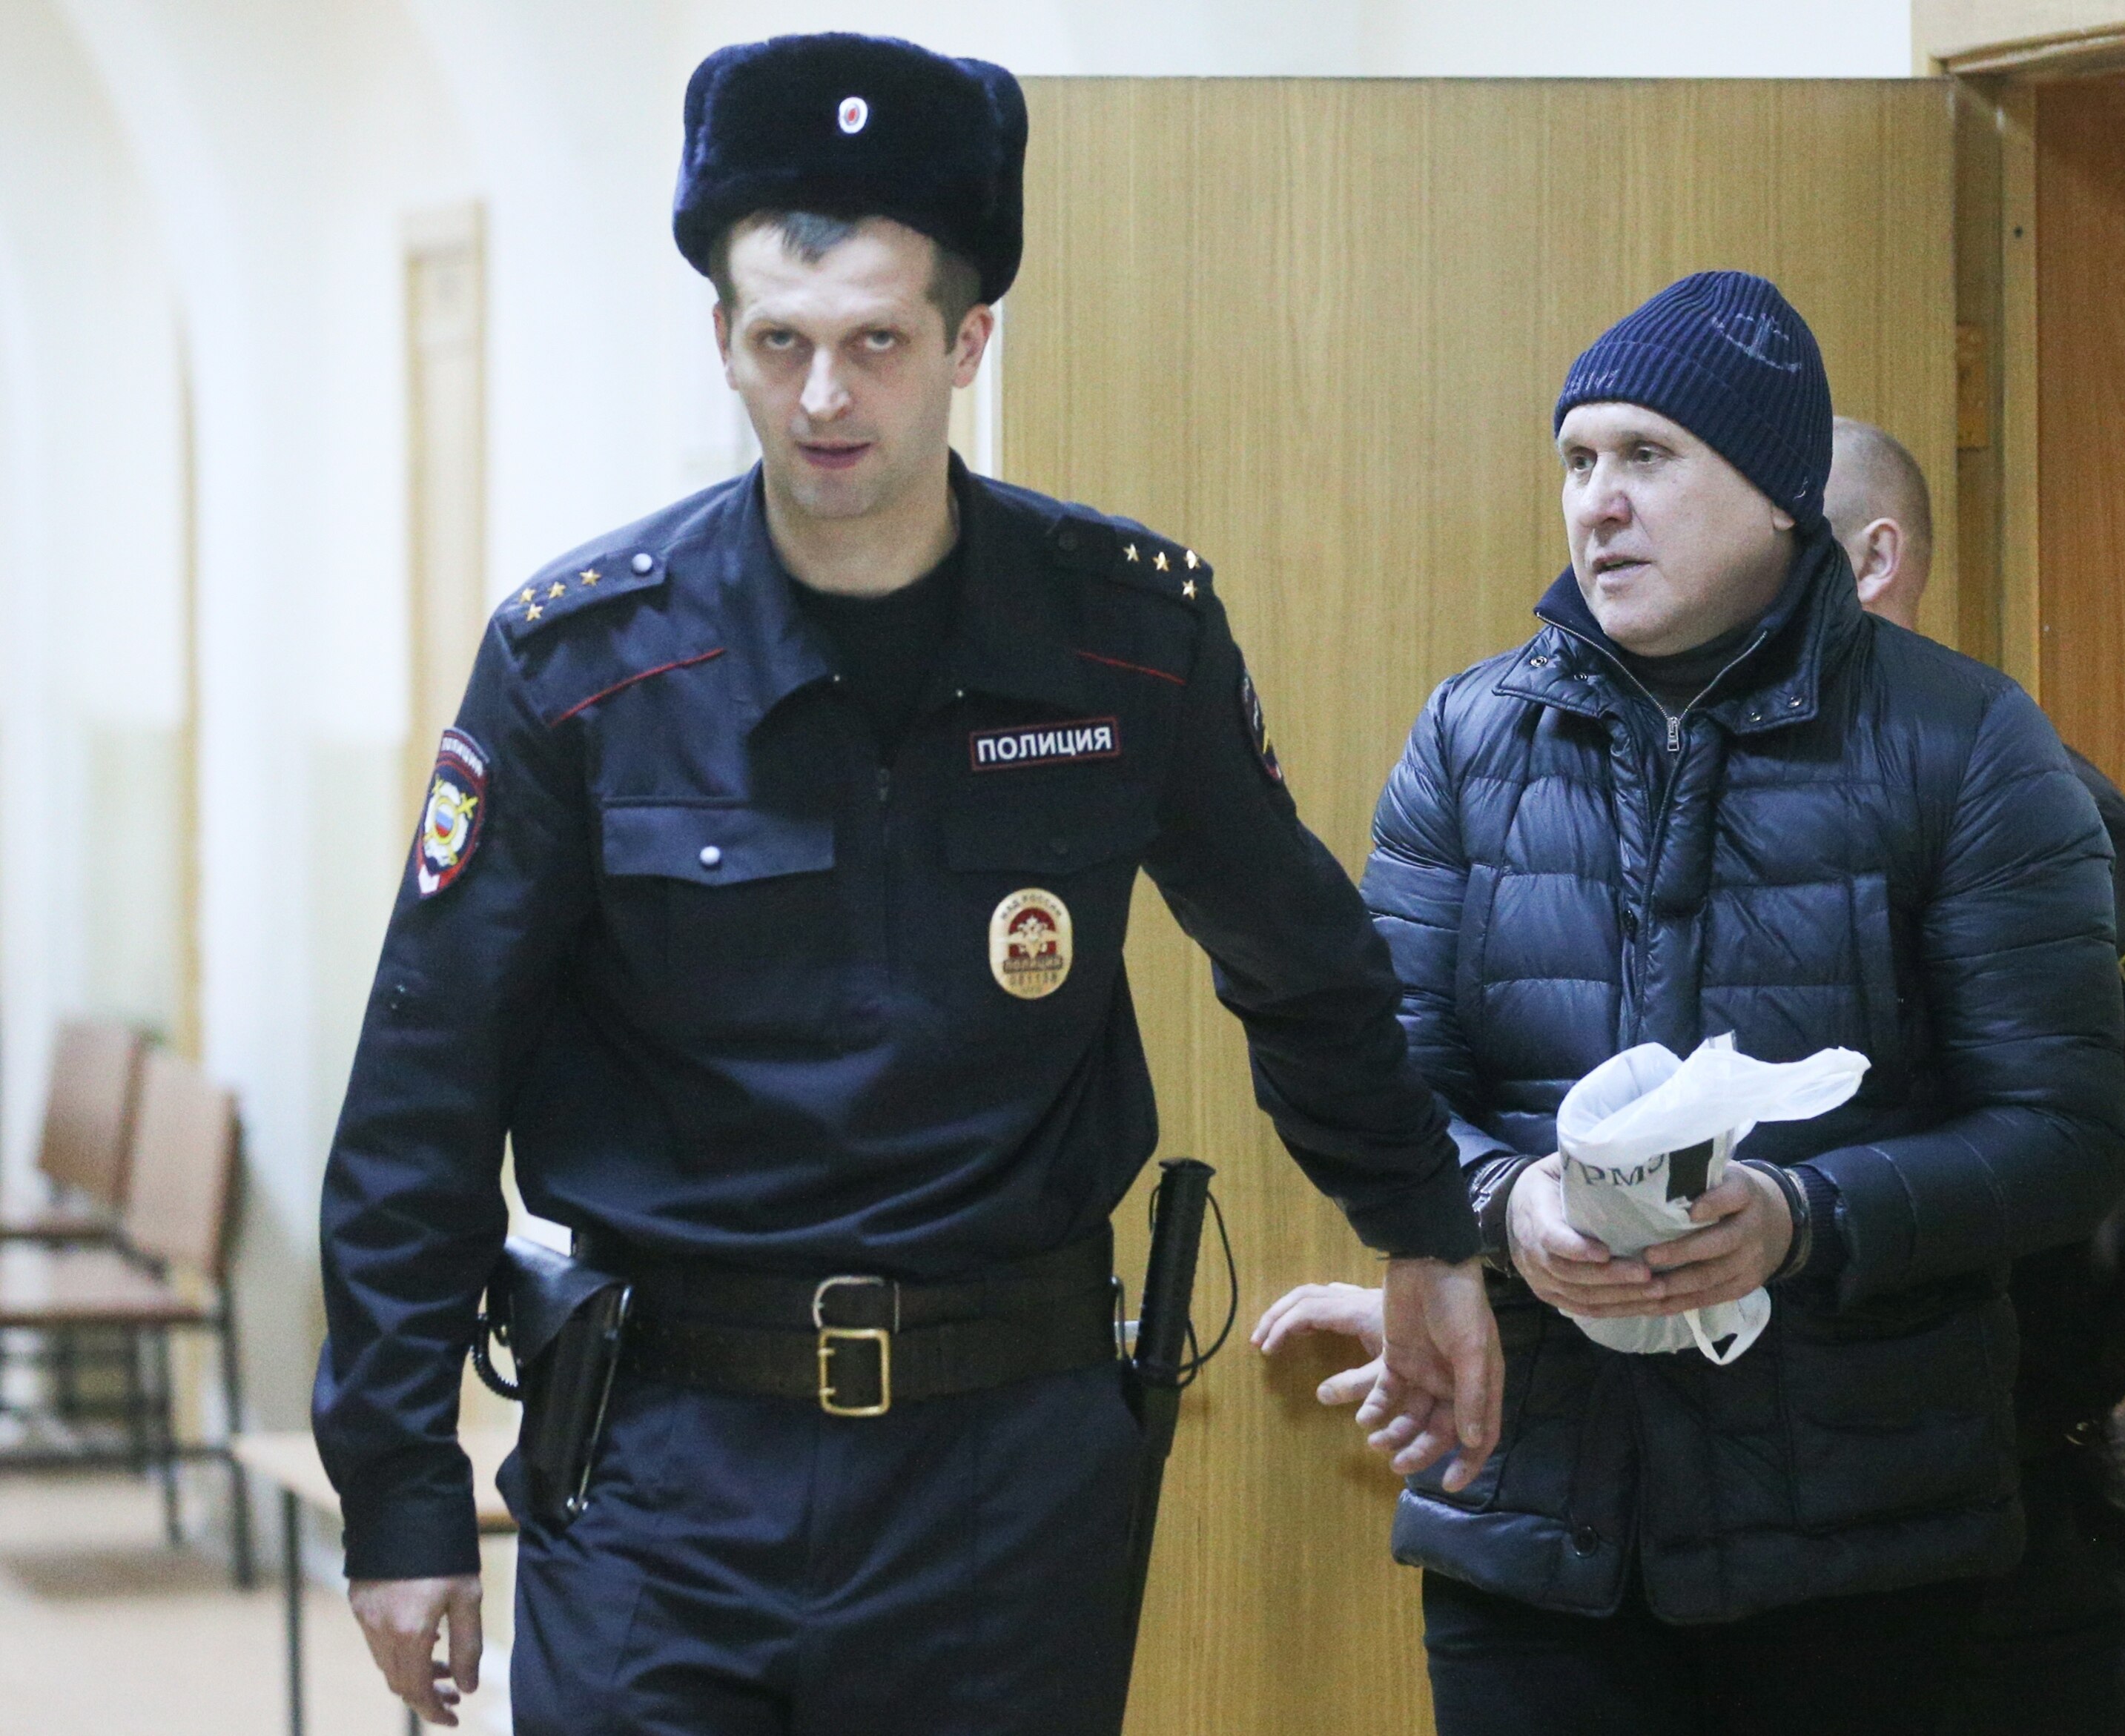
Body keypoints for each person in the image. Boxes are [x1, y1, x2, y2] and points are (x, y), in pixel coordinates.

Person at [311, 33, 1499, 1736]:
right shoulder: (583, 668)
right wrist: (400, 1489)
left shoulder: (1124, 639)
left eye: (875, 341)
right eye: (780, 342)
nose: (824, 398)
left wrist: (1422, 1229)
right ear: (722, 340)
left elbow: (1296, 956)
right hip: (665, 1466)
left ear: (966, 342)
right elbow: (425, 1084)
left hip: (1004, 1476)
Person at [1263, 271, 2125, 1735]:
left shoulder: (1967, 739)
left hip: (1859, 1540)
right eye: (1577, 461)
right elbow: (1379, 1080)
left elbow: (2061, 1135)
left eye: (1648, 457)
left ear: (1781, 495)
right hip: (1531, 1518)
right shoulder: (1471, 736)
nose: (1597, 502)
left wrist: (1802, 1216)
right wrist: (1503, 1202)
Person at [1828, 415, 2125, 1734]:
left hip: (2026, 1494)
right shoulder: (1709, 811)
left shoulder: (2042, 804)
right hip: (1800, 1510)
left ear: (1874, 562)